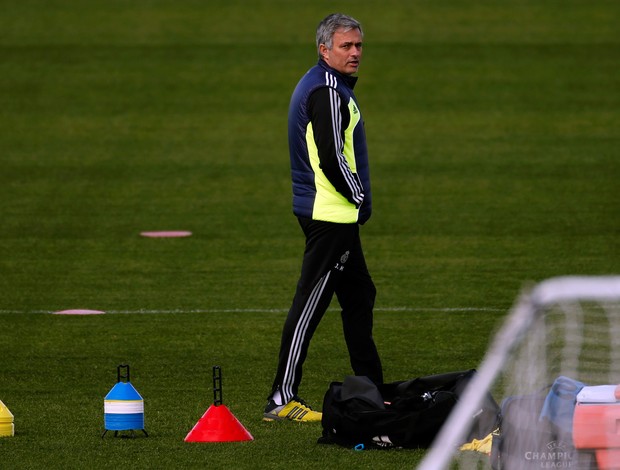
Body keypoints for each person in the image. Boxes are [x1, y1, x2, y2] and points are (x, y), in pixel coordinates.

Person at [263, 13, 383, 422]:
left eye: (359, 46)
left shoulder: (319, 83)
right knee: (310, 303)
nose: (355, 53)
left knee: (359, 296)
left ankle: (372, 388)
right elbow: (332, 157)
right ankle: (280, 399)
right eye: (346, 46)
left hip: (332, 213)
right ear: (324, 49)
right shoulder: (328, 92)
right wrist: (359, 195)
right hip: (330, 216)